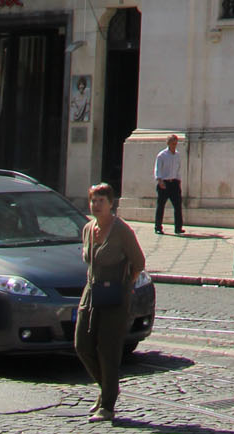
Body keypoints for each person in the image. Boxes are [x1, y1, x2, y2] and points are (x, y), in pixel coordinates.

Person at [76, 181, 146, 423]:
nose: (96, 205)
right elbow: (88, 260)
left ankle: (107, 405)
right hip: (91, 293)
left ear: (111, 203)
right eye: (93, 200)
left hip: (115, 296)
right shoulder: (87, 229)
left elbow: (139, 262)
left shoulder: (121, 231)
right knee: (82, 345)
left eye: (101, 201)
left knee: (108, 350)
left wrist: (125, 284)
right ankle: (109, 388)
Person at [153, 133, 184, 235]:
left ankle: (178, 227)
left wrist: (179, 181)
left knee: (178, 206)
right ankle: (158, 227)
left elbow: (178, 169)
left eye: (176, 143)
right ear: (168, 143)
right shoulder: (162, 155)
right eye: (173, 143)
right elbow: (158, 169)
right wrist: (160, 180)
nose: (174, 145)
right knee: (161, 205)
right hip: (164, 182)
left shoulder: (178, 155)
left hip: (174, 182)